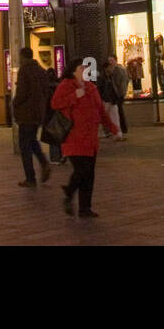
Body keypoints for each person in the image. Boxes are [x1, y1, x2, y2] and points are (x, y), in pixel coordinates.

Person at [50, 59, 118, 217]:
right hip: (74, 137)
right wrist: (74, 96)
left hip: (90, 138)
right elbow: (55, 104)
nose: (84, 71)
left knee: (89, 174)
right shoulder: (67, 85)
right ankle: (69, 191)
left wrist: (112, 127)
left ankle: (85, 207)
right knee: (82, 170)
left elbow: (100, 110)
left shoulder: (91, 87)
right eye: (81, 68)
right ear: (73, 71)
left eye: (86, 68)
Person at [12, 46, 50, 187]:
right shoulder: (40, 70)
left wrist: (15, 103)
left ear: (22, 56)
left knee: (25, 146)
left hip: (26, 114)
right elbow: (45, 90)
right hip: (38, 113)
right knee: (33, 141)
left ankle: (30, 177)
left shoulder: (24, 70)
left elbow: (22, 93)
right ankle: (44, 163)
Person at [105, 56, 129, 140]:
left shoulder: (118, 70)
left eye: (111, 60)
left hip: (118, 94)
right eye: (109, 60)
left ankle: (119, 130)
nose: (110, 62)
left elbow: (123, 82)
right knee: (116, 112)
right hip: (115, 95)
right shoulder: (111, 70)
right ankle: (119, 130)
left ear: (115, 60)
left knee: (117, 112)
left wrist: (121, 93)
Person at [44, 67, 64, 165]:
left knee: (52, 137)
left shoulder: (46, 88)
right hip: (59, 114)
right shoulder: (59, 86)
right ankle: (61, 155)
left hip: (49, 115)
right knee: (60, 135)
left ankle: (55, 157)